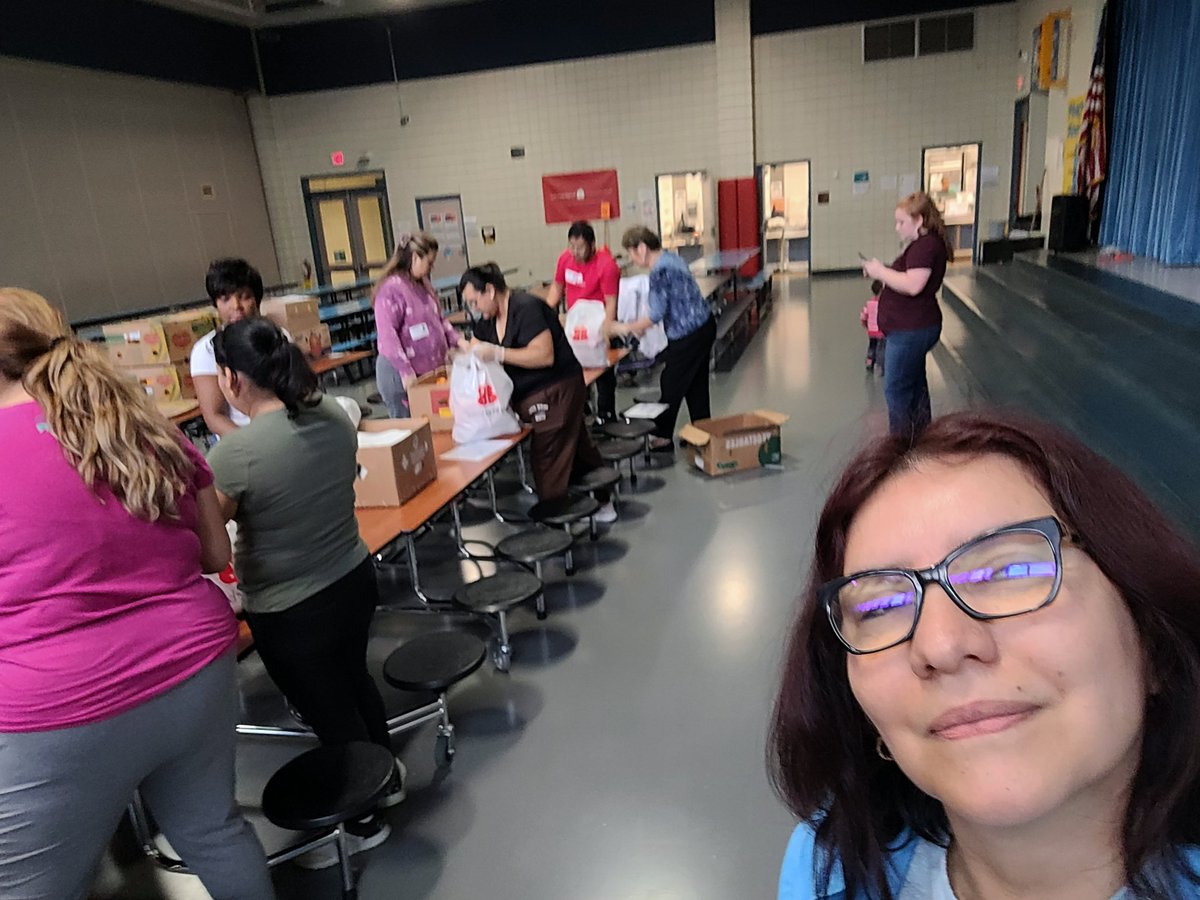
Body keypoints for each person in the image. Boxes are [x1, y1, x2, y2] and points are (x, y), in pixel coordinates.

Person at [770, 410, 1200, 900]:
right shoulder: (833, 867)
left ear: (1153, 643)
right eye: (881, 604)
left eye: (1008, 572)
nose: (941, 646)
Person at [0, 288, 274, 899]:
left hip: (57, 705)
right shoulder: (140, 426)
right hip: (193, 668)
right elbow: (215, 554)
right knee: (214, 830)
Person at [207, 317, 404, 859]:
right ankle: (386, 777)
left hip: (291, 609)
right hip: (352, 577)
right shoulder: (334, 416)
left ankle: (361, 820)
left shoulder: (235, 456)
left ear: (231, 378)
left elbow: (212, 550)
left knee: (328, 710)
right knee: (355, 684)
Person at [459, 263, 617, 523]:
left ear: (489, 290)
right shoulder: (488, 321)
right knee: (575, 446)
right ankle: (602, 501)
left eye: (475, 302)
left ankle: (556, 518)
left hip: (557, 389)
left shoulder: (526, 308)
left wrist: (498, 353)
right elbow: (476, 345)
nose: (475, 310)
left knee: (547, 455)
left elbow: (544, 355)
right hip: (530, 396)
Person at [615, 226, 716, 451]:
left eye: (631, 252)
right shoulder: (671, 259)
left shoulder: (659, 271)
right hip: (703, 326)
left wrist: (626, 327)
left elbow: (655, 313)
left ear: (642, 248)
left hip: (688, 334)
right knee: (695, 385)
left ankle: (662, 436)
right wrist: (640, 326)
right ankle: (702, 432)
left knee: (671, 382)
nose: (631, 258)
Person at [861, 192, 951, 438]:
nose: (897, 227)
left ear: (919, 220)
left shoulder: (926, 246)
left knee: (897, 389)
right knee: (915, 387)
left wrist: (880, 271)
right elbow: (905, 277)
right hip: (909, 327)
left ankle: (900, 446)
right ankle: (922, 438)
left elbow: (913, 285)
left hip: (911, 330)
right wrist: (881, 271)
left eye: (902, 222)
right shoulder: (922, 245)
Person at [372, 232, 469, 418]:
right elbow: (388, 336)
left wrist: (459, 341)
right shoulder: (391, 289)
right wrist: (406, 372)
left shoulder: (423, 285)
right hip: (402, 375)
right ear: (415, 257)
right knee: (413, 432)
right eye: (429, 263)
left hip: (428, 372)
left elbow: (438, 320)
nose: (431, 268)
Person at [544, 220, 621, 425]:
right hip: (575, 324)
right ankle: (582, 410)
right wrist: (544, 312)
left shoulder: (606, 265)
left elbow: (611, 302)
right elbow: (557, 288)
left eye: (581, 247)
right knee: (573, 369)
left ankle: (606, 415)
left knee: (603, 372)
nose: (576, 252)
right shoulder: (565, 259)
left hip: (598, 323)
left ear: (592, 245)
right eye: (572, 246)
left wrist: (607, 332)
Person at [192, 258, 265, 437]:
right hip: (241, 441)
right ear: (215, 304)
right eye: (225, 299)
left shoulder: (278, 337)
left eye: (244, 296)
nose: (236, 306)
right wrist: (254, 444)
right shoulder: (206, 351)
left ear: (256, 299)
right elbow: (214, 416)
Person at [860, 279, 885, 373]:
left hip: (871, 331)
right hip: (881, 331)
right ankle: (881, 365)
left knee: (872, 346)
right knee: (881, 348)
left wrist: (864, 323)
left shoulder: (869, 303)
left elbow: (863, 315)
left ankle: (869, 362)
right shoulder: (883, 304)